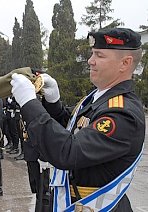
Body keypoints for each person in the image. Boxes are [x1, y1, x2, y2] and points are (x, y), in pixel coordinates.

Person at [10, 28, 145, 211]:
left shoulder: (122, 113)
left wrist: (29, 103)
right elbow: (72, 130)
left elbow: (68, 151)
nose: (91, 61)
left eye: (99, 55)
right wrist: (53, 102)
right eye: (92, 54)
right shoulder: (97, 98)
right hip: (72, 201)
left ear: (125, 63)